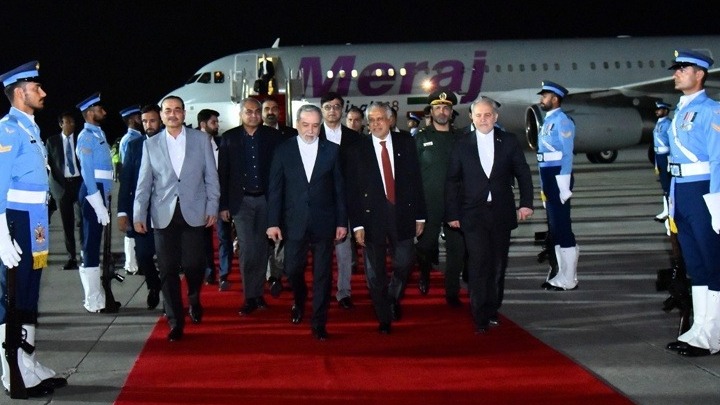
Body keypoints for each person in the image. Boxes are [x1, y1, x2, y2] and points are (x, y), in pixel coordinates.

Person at [0, 60, 68, 397]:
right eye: (36, 87)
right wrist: (1, 233)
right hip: (17, 220)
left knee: (29, 290)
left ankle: (27, 362)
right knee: (12, 295)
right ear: (19, 92)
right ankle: (11, 371)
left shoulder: (30, 128)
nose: (43, 92)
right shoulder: (8, 129)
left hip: (36, 219)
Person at [134, 96, 220, 342]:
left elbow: (211, 177)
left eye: (177, 110)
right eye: (168, 110)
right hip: (163, 215)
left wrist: (212, 206)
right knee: (168, 269)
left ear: (184, 113)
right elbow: (144, 183)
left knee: (194, 265)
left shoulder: (201, 140)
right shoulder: (150, 145)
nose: (172, 114)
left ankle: (193, 297)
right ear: (162, 115)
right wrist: (138, 213)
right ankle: (175, 321)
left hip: (195, 212)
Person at [445, 97, 534, 333]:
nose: (483, 119)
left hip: (501, 213)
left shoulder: (509, 141)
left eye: (487, 115)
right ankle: (479, 315)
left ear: (495, 117)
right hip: (472, 214)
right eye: (479, 115)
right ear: (471, 118)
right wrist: (452, 213)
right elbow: (452, 180)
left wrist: (526, 204)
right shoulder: (461, 144)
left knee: (497, 265)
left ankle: (493, 307)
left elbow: (523, 173)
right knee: (477, 264)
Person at [266, 104, 347, 341]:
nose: (310, 131)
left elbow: (340, 190)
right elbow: (275, 189)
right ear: (297, 124)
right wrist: (272, 222)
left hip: (324, 221)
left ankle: (319, 322)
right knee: (292, 269)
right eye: (305, 125)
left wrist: (342, 222)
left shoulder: (332, 150)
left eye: (315, 126)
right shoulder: (283, 150)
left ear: (320, 126)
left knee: (323, 275)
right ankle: (299, 298)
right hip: (294, 222)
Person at [345, 101, 426, 334]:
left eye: (380, 119)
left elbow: (416, 180)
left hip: (403, 213)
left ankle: (392, 296)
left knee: (405, 262)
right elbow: (352, 191)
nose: (375, 124)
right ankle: (383, 315)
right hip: (371, 218)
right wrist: (357, 225)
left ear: (390, 120)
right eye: (371, 120)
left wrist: (420, 215)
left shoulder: (406, 143)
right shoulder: (357, 149)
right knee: (375, 271)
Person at [664, 50, 720, 357]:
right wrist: (670, 202)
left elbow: (718, 159)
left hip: (702, 192)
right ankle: (699, 329)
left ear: (700, 74)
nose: (676, 73)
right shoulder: (680, 110)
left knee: (713, 264)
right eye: (677, 69)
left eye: (683, 68)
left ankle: (713, 336)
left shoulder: (711, 110)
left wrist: (718, 202)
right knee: (696, 266)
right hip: (682, 192)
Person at [218, 97, 282, 315]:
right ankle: (250, 296)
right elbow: (223, 174)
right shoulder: (229, 138)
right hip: (241, 201)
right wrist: (223, 205)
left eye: (257, 111)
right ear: (241, 114)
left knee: (262, 248)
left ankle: (259, 293)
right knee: (247, 249)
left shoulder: (273, 137)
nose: (253, 115)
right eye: (249, 112)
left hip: (266, 200)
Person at [414, 89, 466, 307]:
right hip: (429, 204)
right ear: (431, 111)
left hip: (456, 204)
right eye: (437, 108)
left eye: (446, 108)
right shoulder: (421, 138)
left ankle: (452, 292)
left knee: (457, 251)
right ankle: (424, 272)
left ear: (451, 112)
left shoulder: (462, 138)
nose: (442, 111)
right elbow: (412, 174)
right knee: (426, 246)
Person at [319, 92, 363, 310]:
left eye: (337, 106)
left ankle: (344, 291)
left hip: (347, 202)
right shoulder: (312, 134)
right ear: (322, 110)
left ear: (342, 110)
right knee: (321, 252)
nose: (332, 111)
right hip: (320, 202)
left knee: (344, 252)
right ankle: (322, 291)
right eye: (328, 107)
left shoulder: (355, 138)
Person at [75, 92, 118, 313]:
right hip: (93, 192)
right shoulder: (85, 137)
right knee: (91, 244)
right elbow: (87, 172)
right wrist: (97, 202)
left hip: (102, 191)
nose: (104, 111)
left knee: (97, 242)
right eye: (100, 109)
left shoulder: (98, 133)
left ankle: (99, 295)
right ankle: (93, 300)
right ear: (90, 112)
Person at [117, 105, 162, 310]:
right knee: (143, 255)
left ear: (160, 121)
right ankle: (154, 285)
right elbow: (126, 180)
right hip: (141, 214)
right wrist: (122, 212)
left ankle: (169, 299)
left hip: (167, 212)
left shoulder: (169, 143)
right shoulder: (135, 145)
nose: (148, 125)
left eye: (152, 121)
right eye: (144, 121)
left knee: (167, 258)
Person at [535, 81, 579, 291]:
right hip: (549, 177)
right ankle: (562, 274)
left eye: (544, 96)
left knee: (562, 227)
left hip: (558, 176)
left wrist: (564, 183)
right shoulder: (548, 121)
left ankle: (569, 278)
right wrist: (543, 186)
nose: (541, 100)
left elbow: (567, 154)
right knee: (555, 228)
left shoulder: (562, 121)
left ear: (555, 98)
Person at [261, 97, 297, 296]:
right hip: (260, 195)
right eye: (267, 108)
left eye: (274, 108)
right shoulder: (254, 134)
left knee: (284, 238)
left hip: (287, 195)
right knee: (266, 238)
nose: (271, 112)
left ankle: (279, 273)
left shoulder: (291, 134)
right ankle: (271, 276)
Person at [197, 109, 233, 290]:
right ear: (203, 124)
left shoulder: (221, 143)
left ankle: (224, 274)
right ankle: (209, 272)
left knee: (224, 237)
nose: (217, 125)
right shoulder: (192, 145)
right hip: (200, 200)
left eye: (217, 122)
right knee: (203, 239)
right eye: (214, 122)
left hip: (220, 198)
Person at [46, 111, 83, 270]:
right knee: (67, 224)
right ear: (61, 124)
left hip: (79, 184)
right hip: (62, 187)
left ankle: (85, 255)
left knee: (82, 221)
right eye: (68, 122)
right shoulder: (52, 141)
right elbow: (49, 165)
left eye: (73, 122)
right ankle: (71, 258)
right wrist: (53, 188)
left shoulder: (80, 139)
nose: (72, 125)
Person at [118, 105, 142, 275]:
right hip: (133, 189)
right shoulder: (129, 140)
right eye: (139, 117)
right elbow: (128, 168)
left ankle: (135, 262)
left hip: (137, 188)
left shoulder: (136, 137)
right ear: (132, 119)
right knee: (131, 228)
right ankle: (131, 264)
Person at [653, 101, 672, 223]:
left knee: (667, 185)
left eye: (659, 109)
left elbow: (672, 142)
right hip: (659, 156)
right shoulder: (659, 123)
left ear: (665, 110)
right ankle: (666, 210)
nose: (657, 111)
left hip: (666, 156)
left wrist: (670, 158)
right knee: (664, 185)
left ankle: (670, 211)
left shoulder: (668, 124)